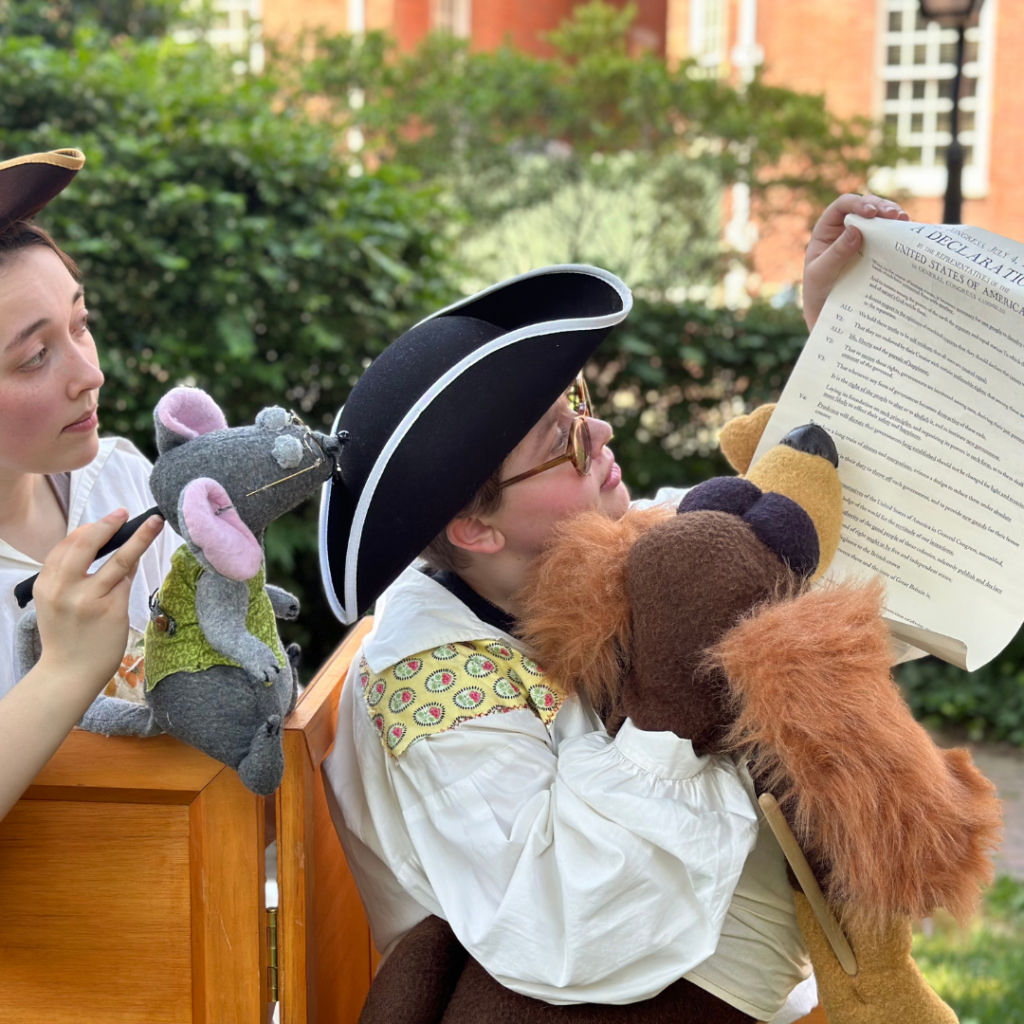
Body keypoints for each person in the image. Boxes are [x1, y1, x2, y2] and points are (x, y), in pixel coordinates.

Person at [319, 192, 911, 1023]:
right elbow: (564, 928)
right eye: (559, 441)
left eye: (579, 404)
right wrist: (667, 720)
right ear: (474, 528)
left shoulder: (603, 548)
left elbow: (784, 534)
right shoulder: (433, 690)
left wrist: (834, 332)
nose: (596, 436)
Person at [0, 149, 178, 814]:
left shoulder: (123, 483)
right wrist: (66, 671)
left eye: (80, 325)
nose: (90, 374)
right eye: (34, 357)